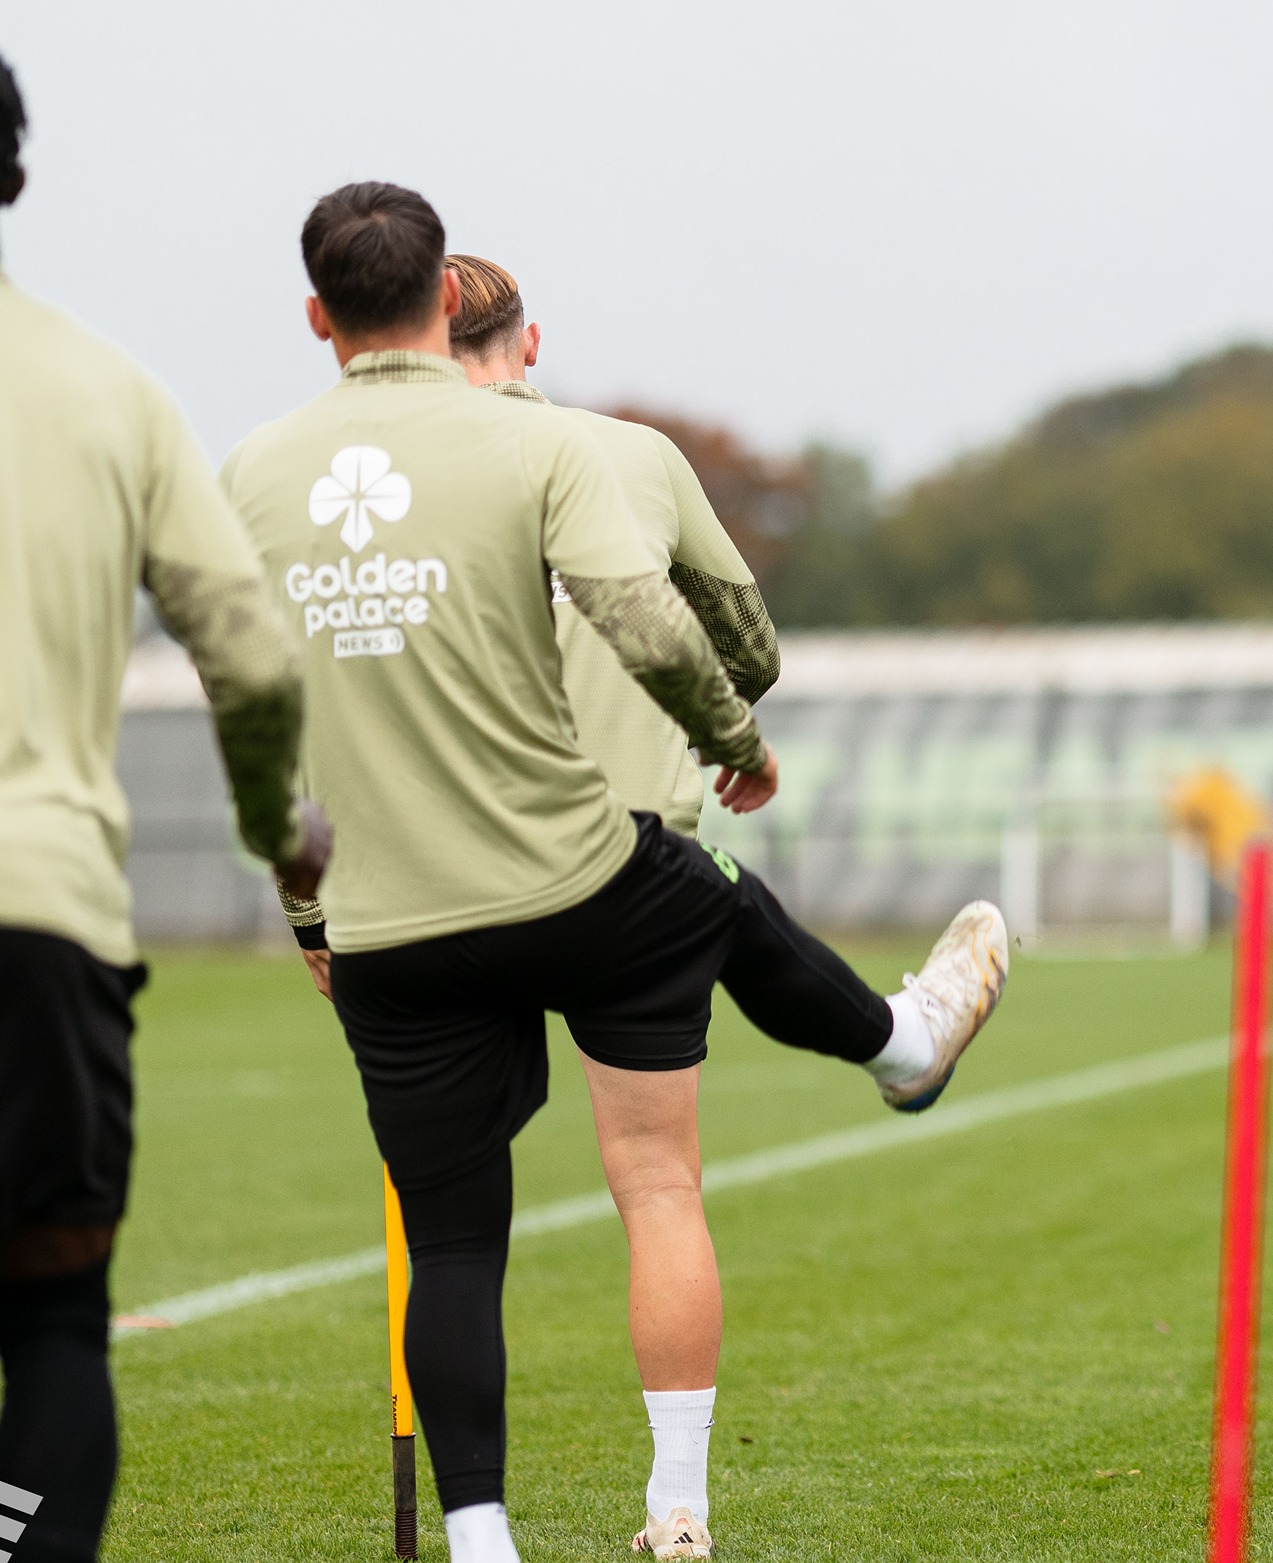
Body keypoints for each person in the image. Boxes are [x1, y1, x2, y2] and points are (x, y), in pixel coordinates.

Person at [220, 183, 995, 1563]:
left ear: (315, 314)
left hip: (392, 915)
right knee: (698, 956)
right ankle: (898, 1044)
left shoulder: (253, 472)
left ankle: (481, 1542)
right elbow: (665, 617)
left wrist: (306, 914)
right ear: (457, 308)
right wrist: (732, 738)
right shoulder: (560, 444)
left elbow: (250, 714)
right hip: (574, 875)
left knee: (453, 1241)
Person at [0, 54, 328, 1561]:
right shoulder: (107, 388)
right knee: (57, 1316)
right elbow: (252, 655)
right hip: (40, 915)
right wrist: (275, 825)